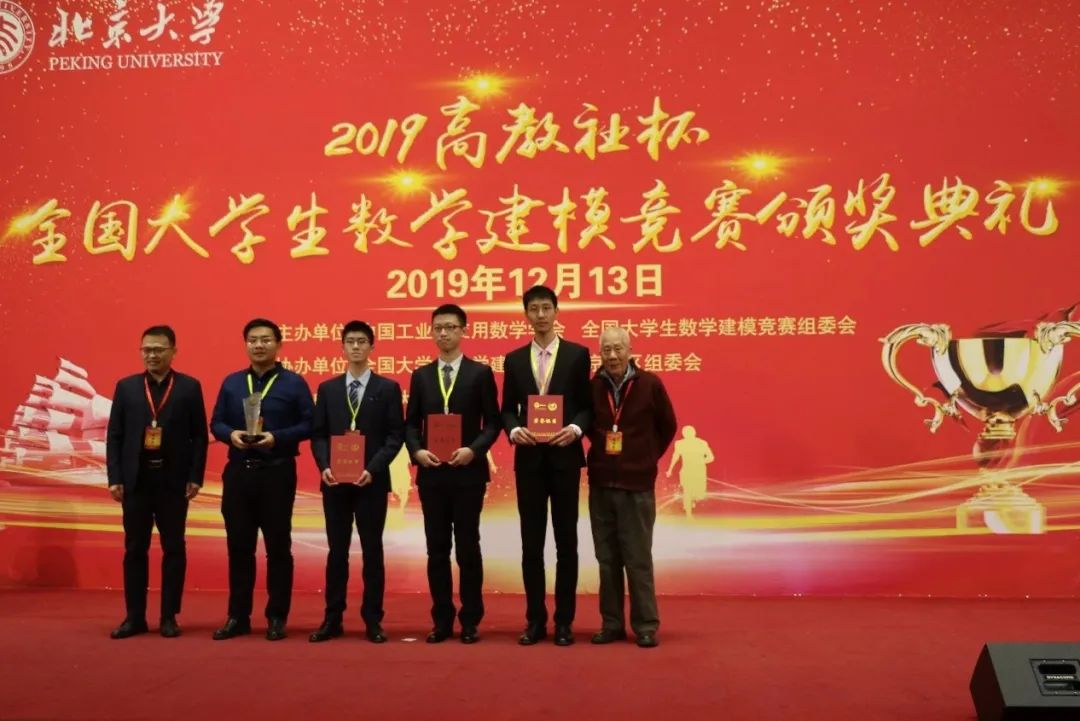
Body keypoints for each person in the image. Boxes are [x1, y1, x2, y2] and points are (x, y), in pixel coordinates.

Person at [210, 318, 313, 641]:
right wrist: (231, 434)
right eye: (253, 340)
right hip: (239, 472)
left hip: (277, 472)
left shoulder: (294, 383)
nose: (259, 345)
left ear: (279, 344)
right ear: (246, 344)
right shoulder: (232, 383)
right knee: (239, 547)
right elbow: (216, 422)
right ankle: (237, 616)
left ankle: (276, 617)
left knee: (278, 548)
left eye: (266, 340)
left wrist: (277, 437)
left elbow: (310, 424)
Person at [500, 285, 593, 646]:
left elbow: (587, 407)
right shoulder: (514, 360)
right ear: (526, 314)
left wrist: (576, 429)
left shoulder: (577, 355)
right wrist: (514, 430)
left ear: (556, 311)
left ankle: (564, 622)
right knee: (531, 544)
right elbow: (507, 409)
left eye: (546, 308)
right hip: (529, 461)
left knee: (567, 543)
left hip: (565, 458)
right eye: (533, 309)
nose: (540, 315)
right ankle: (535, 620)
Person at [405, 304, 501, 644]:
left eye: (450, 327)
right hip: (432, 475)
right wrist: (417, 451)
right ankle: (441, 619)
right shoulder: (421, 376)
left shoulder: (480, 373)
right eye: (438, 328)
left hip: (467, 474)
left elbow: (493, 422)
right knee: (436, 550)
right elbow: (410, 424)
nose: (443, 333)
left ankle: (470, 619)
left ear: (463, 330)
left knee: (468, 548)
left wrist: (473, 450)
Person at [106, 325, 208, 639]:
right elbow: (115, 435)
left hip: (173, 482)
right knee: (135, 548)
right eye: (146, 350)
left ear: (173, 351)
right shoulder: (127, 387)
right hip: (135, 481)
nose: (152, 355)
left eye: (159, 349)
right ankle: (134, 617)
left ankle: (169, 617)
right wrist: (115, 477)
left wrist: (195, 476)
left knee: (174, 548)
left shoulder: (189, 387)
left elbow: (200, 436)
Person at [308, 320, 404, 644]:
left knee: (372, 551)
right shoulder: (328, 389)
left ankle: (373, 620)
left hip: (370, 482)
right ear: (342, 347)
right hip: (335, 483)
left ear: (372, 347)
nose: (356, 347)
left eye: (362, 341)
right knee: (336, 552)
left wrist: (373, 469)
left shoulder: (387, 388)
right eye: (350, 341)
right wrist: (324, 466)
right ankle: (332, 618)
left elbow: (395, 436)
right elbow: (318, 434)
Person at [586, 327, 676, 648]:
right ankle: (611, 624)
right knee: (607, 559)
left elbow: (668, 426)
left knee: (637, 559)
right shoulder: (593, 386)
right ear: (600, 353)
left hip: (637, 486)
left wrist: (645, 457)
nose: (612, 356)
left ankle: (646, 625)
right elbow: (587, 426)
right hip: (601, 485)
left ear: (630, 350)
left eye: (618, 349)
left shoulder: (650, 384)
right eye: (606, 350)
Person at [666, 425, 715, 517]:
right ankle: (689, 513)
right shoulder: (680, 444)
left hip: (699, 471)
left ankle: (692, 500)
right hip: (686, 471)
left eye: (689, 433)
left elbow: (711, 457)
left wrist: (701, 461)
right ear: (683, 434)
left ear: (694, 433)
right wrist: (670, 469)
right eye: (686, 433)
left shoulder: (702, 443)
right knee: (687, 491)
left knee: (699, 494)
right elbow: (675, 456)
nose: (687, 435)